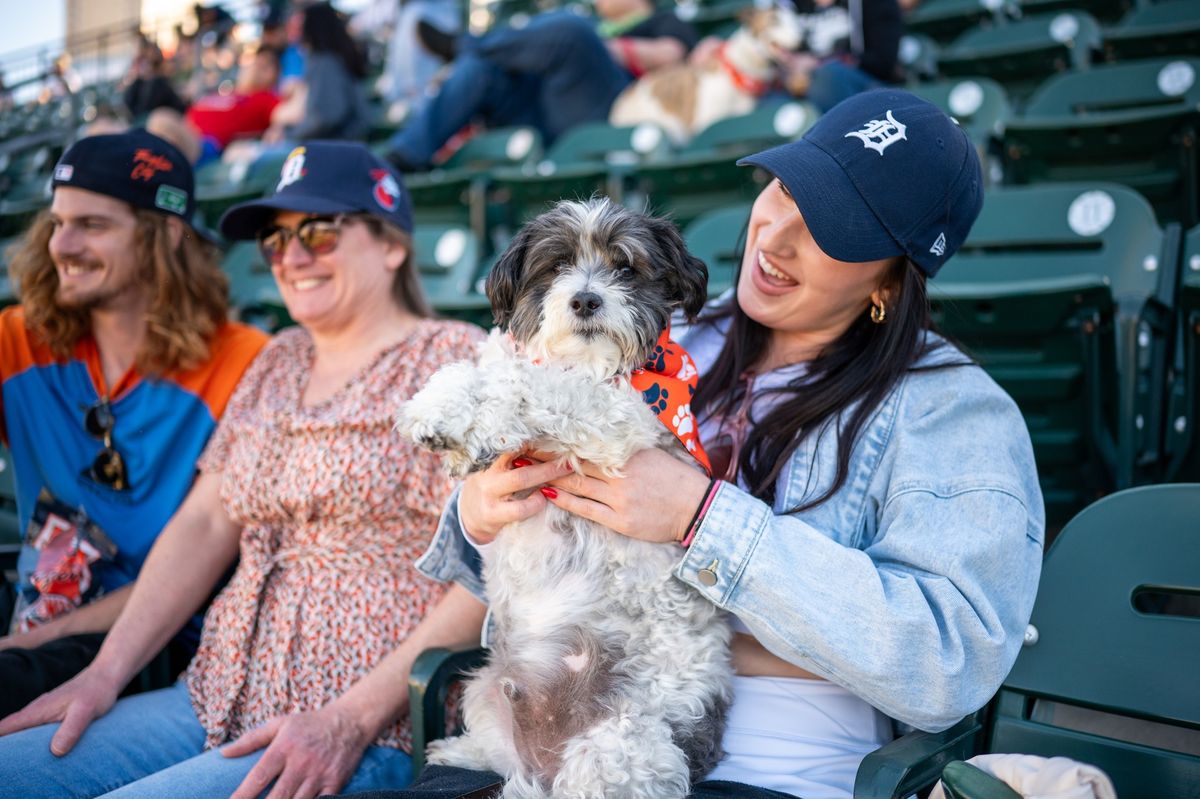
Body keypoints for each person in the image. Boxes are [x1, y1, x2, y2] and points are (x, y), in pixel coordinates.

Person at [360, 89, 1045, 799]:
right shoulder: (659, 328)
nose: (776, 238)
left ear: (892, 282)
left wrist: (701, 516)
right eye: (786, 189)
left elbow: (946, 660)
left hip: (766, 768)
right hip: (531, 732)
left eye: (831, 227)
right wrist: (479, 509)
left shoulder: (954, 413)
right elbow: (523, 556)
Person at [0, 142, 488, 799]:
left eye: (318, 232)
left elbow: (492, 565)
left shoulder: (454, 360)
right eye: (275, 241)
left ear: (392, 244)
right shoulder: (278, 360)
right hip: (213, 691)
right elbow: (205, 521)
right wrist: (104, 673)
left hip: (361, 726)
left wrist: (349, 718)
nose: (292, 256)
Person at [0, 129, 268, 717]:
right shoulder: (19, 340)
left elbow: (205, 561)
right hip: (37, 613)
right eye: (56, 223)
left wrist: (26, 642)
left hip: (160, 644)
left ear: (165, 236)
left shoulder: (241, 362)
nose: (62, 246)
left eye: (93, 226)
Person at [384, 0, 698, 172]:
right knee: (482, 68)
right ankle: (404, 157)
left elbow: (673, 55)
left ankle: (462, 45)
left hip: (606, 107)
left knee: (571, 30)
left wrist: (602, 45)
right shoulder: (589, 21)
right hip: (545, 109)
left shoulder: (663, 19)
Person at [263, 2, 372, 144]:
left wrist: (289, 135)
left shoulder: (324, 62)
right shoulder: (328, 58)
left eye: (300, 25)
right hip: (340, 139)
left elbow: (325, 118)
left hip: (340, 142)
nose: (295, 30)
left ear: (312, 26)